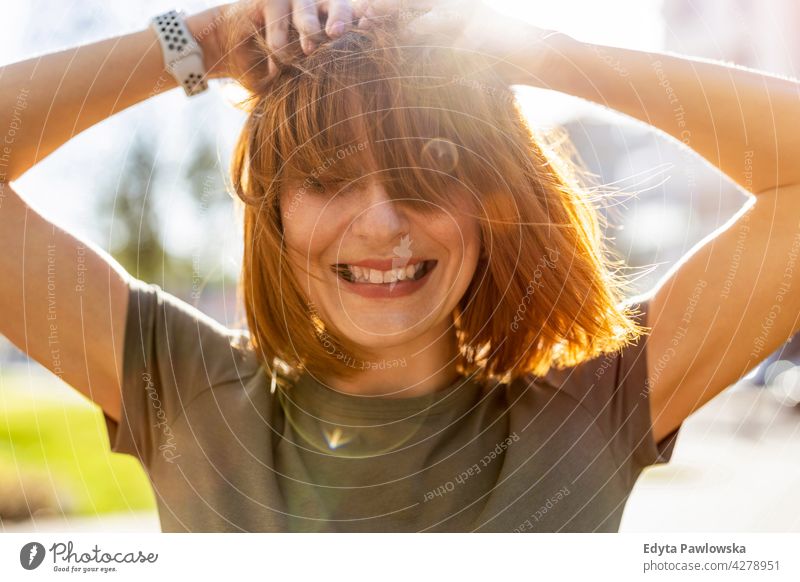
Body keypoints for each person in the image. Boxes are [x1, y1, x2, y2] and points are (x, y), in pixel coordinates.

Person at [1, 0, 798, 533]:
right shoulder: (178, 387)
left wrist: (544, 57)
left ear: (490, 201)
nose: (381, 223)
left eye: (428, 173)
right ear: (274, 210)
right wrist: (202, 43)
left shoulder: (601, 402)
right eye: (327, 177)